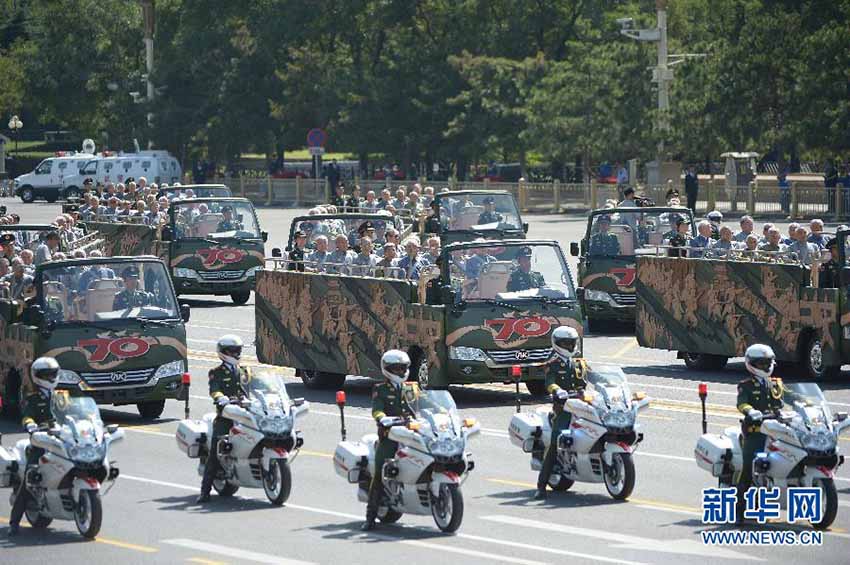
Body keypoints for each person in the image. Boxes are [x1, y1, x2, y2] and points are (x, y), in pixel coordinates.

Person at [362, 350, 420, 530]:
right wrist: (382, 418)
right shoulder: (380, 389)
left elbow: (425, 405)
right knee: (380, 472)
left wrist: (440, 412)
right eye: (397, 368)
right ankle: (370, 517)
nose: (401, 372)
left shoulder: (412, 388)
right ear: (387, 369)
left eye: (403, 368)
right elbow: (376, 409)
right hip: (390, 437)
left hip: (411, 434)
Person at [8, 357, 61, 536]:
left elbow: (74, 412)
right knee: (31, 478)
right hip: (40, 444)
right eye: (47, 375)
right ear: (38, 376)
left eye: (53, 374)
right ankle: (14, 521)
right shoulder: (32, 398)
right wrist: (30, 425)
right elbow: (27, 416)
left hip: (62, 441)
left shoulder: (63, 396)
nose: (51, 378)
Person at [535, 327, 588, 500]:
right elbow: (549, 382)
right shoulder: (553, 364)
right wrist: (557, 391)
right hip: (563, 409)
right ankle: (541, 485)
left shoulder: (579, 362)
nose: (570, 346)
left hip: (581, 405)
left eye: (572, 342)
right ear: (557, 344)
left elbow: (595, 377)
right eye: (566, 343)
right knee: (556, 442)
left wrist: (610, 385)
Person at [735, 344, 785, 523]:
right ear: (751, 364)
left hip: (777, 431)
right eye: (761, 363)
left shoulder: (776, 383)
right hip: (756, 432)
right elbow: (741, 403)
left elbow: (785, 402)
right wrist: (750, 411)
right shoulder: (746, 385)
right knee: (749, 468)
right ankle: (739, 510)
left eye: (768, 363)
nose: (766, 367)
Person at [198, 335, 248, 503]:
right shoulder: (216, 372)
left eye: (238, 350)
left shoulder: (244, 371)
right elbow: (214, 389)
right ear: (224, 352)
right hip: (226, 417)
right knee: (215, 452)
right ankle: (204, 491)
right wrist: (220, 398)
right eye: (233, 351)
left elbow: (255, 387)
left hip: (244, 414)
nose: (237, 353)